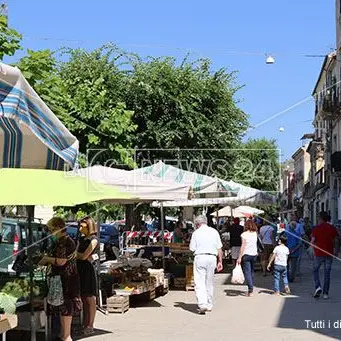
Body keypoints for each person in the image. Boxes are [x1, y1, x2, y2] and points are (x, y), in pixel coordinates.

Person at [40, 217, 82, 341]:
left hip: (66, 280)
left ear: (58, 228)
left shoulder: (64, 242)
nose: (50, 233)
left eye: (51, 230)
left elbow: (61, 261)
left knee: (66, 308)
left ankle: (66, 336)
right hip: (66, 278)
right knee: (64, 309)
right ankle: (64, 335)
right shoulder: (64, 241)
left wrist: (47, 259)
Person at [189, 215, 223, 314]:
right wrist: (220, 261)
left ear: (197, 224)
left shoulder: (196, 233)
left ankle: (202, 304)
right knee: (209, 282)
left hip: (200, 257)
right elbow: (219, 248)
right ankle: (209, 304)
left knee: (199, 281)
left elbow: (192, 248)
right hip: (212, 258)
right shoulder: (214, 232)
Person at [77, 217, 99, 335]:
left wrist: (76, 255)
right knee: (83, 298)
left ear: (88, 226)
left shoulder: (94, 239)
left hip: (87, 270)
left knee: (89, 298)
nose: (80, 228)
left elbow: (84, 256)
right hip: (79, 268)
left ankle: (90, 325)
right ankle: (84, 323)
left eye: (82, 226)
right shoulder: (81, 239)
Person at [311, 211, 338, 299]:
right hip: (329, 253)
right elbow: (336, 240)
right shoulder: (332, 228)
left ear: (321, 219)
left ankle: (318, 287)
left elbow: (312, 241)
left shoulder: (316, 228)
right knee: (327, 273)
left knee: (315, 270)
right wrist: (336, 251)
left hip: (318, 253)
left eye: (318, 218)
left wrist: (313, 246)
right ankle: (325, 293)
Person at [237, 220, 258, 297]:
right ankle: (251, 285)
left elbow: (243, 246)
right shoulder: (255, 234)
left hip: (246, 255)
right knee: (252, 271)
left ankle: (250, 289)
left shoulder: (244, 234)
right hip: (254, 254)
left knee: (247, 272)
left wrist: (239, 257)